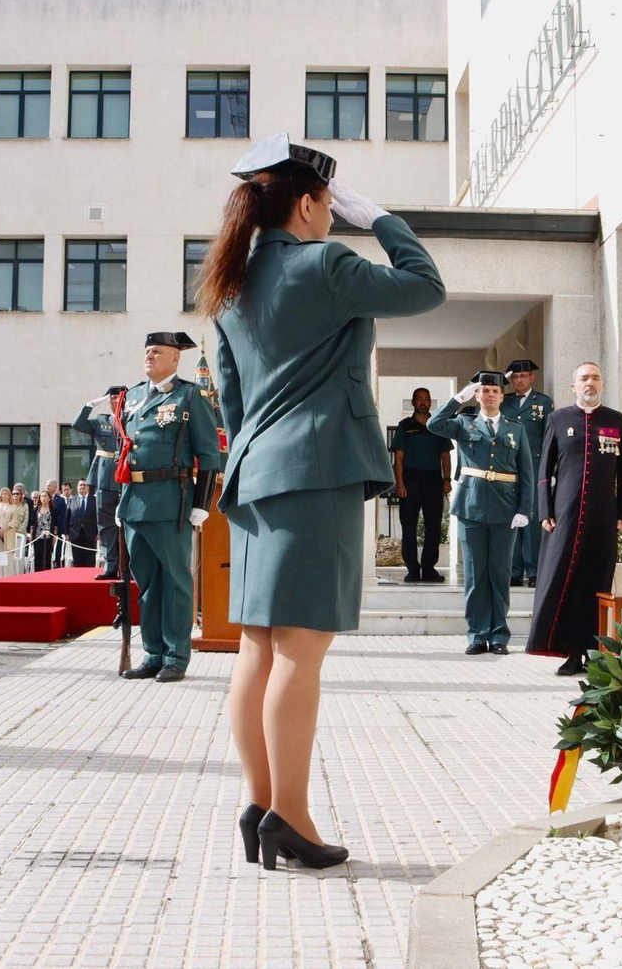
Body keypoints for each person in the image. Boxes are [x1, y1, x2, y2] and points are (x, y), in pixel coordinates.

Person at [203, 132, 443, 869]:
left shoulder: (230, 284)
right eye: (330, 207)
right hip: (317, 472)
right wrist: (386, 222)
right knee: (301, 652)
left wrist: (260, 454)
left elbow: (233, 403)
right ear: (308, 203)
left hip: (255, 478)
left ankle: (261, 801)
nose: (333, 219)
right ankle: (294, 817)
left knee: (258, 645)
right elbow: (425, 286)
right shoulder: (326, 263)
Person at [113, 330, 224, 684]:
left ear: (175, 359)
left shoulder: (190, 397)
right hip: (135, 502)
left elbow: (208, 455)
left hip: (172, 500)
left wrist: (201, 504)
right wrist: (122, 498)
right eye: (147, 351)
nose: (149, 356)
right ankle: (153, 653)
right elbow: (126, 451)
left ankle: (176, 656)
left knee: (176, 581)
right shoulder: (131, 398)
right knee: (146, 583)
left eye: (157, 352)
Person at [526, 362, 622, 674]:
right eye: (584, 378)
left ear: (603, 384)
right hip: (564, 516)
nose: (590, 383)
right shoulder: (558, 419)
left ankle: (595, 653)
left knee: (596, 582)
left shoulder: (616, 420)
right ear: (574, 386)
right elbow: (544, 471)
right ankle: (571, 652)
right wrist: (544, 510)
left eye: (595, 378)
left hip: (603, 517)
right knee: (565, 581)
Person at [429, 371, 534, 655]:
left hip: (505, 510)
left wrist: (525, 509)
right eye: (484, 391)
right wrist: (457, 398)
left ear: (502, 397)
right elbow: (433, 424)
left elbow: (526, 473)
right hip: (471, 508)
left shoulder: (516, 429)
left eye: (494, 391)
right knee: (475, 576)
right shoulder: (464, 423)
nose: (489, 395)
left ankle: (499, 635)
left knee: (499, 575)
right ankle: (477, 635)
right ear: (477, 395)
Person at [389, 388, 452, 583]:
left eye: (426, 399)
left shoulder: (438, 426)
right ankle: (413, 570)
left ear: (431, 403)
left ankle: (429, 568)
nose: (423, 402)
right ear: (414, 403)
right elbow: (398, 458)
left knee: (434, 526)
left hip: (433, 479)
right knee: (409, 526)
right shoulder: (405, 426)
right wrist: (399, 484)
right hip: (410, 479)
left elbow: (445, 455)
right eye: (419, 399)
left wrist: (447, 480)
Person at [500, 359, 553, 588]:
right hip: (509, 469)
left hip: (533, 469)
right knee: (512, 520)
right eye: (515, 377)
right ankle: (514, 571)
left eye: (524, 376)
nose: (519, 381)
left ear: (532, 377)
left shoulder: (543, 403)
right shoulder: (504, 403)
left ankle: (534, 571)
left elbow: (550, 439)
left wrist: (550, 471)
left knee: (531, 522)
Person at [74, 385, 128, 578]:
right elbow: (78, 424)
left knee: (128, 523)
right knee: (106, 524)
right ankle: (111, 567)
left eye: (119, 398)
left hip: (126, 476)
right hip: (104, 477)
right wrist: (90, 405)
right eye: (111, 399)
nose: (115, 402)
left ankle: (127, 567)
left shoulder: (132, 419)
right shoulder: (101, 421)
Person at [0, 485, 28, 573]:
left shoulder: (13, 507)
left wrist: (4, 529)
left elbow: (14, 520)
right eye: (2, 494)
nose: (4, 495)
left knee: (8, 555)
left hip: (8, 532)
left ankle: (8, 574)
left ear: (9, 496)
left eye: (6, 494)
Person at [66, 479, 99, 568]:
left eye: (84, 485)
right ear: (77, 487)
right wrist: (67, 533)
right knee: (77, 559)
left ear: (88, 487)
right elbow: (67, 517)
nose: (82, 487)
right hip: (75, 533)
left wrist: (98, 532)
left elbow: (99, 517)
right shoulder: (72, 500)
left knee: (90, 559)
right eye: (80, 485)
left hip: (90, 534)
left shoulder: (95, 500)